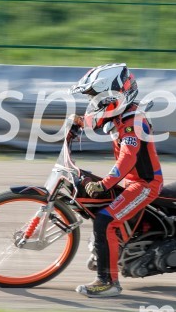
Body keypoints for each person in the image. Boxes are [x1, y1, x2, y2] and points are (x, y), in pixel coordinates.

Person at [69, 63, 164, 297]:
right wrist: (79, 122)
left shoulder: (133, 121)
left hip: (144, 185)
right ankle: (106, 252)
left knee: (105, 221)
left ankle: (108, 282)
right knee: (91, 200)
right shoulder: (119, 113)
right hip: (130, 182)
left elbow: (127, 159)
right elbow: (95, 120)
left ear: (115, 95)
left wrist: (105, 184)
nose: (95, 103)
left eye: (97, 97)